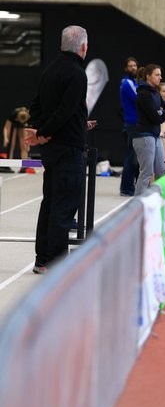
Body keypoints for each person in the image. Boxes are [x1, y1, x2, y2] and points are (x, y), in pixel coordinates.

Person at [26, 25, 90, 274]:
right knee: (64, 207)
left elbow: (37, 106)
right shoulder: (77, 74)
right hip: (68, 150)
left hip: (53, 150)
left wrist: (42, 131)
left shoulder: (49, 70)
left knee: (51, 203)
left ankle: (42, 260)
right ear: (83, 47)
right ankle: (57, 265)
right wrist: (43, 134)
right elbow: (65, 111)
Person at [132, 64, 165, 195]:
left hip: (154, 134)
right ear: (148, 76)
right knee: (146, 172)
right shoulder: (143, 94)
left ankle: (159, 203)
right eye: (157, 75)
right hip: (144, 135)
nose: (160, 77)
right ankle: (137, 206)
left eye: (160, 74)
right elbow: (155, 117)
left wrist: (161, 113)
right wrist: (160, 113)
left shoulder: (156, 93)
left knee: (161, 170)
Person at [119, 56, 139, 196]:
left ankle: (132, 186)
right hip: (132, 123)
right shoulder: (127, 83)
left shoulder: (135, 82)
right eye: (130, 66)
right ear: (126, 68)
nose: (133, 68)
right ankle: (126, 188)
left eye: (135, 65)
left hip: (136, 123)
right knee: (131, 156)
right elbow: (139, 99)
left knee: (135, 156)